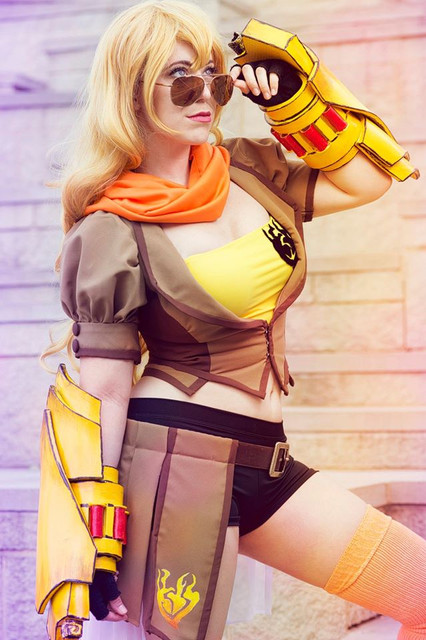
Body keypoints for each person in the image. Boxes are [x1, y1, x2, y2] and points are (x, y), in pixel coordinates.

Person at [35, 2, 425, 640]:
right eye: (180, 77)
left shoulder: (247, 169)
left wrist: (294, 100)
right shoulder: (110, 229)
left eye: (213, 76)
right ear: (130, 91)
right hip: (172, 465)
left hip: (268, 462)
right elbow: (103, 390)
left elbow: (369, 180)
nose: (205, 93)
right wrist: (94, 535)